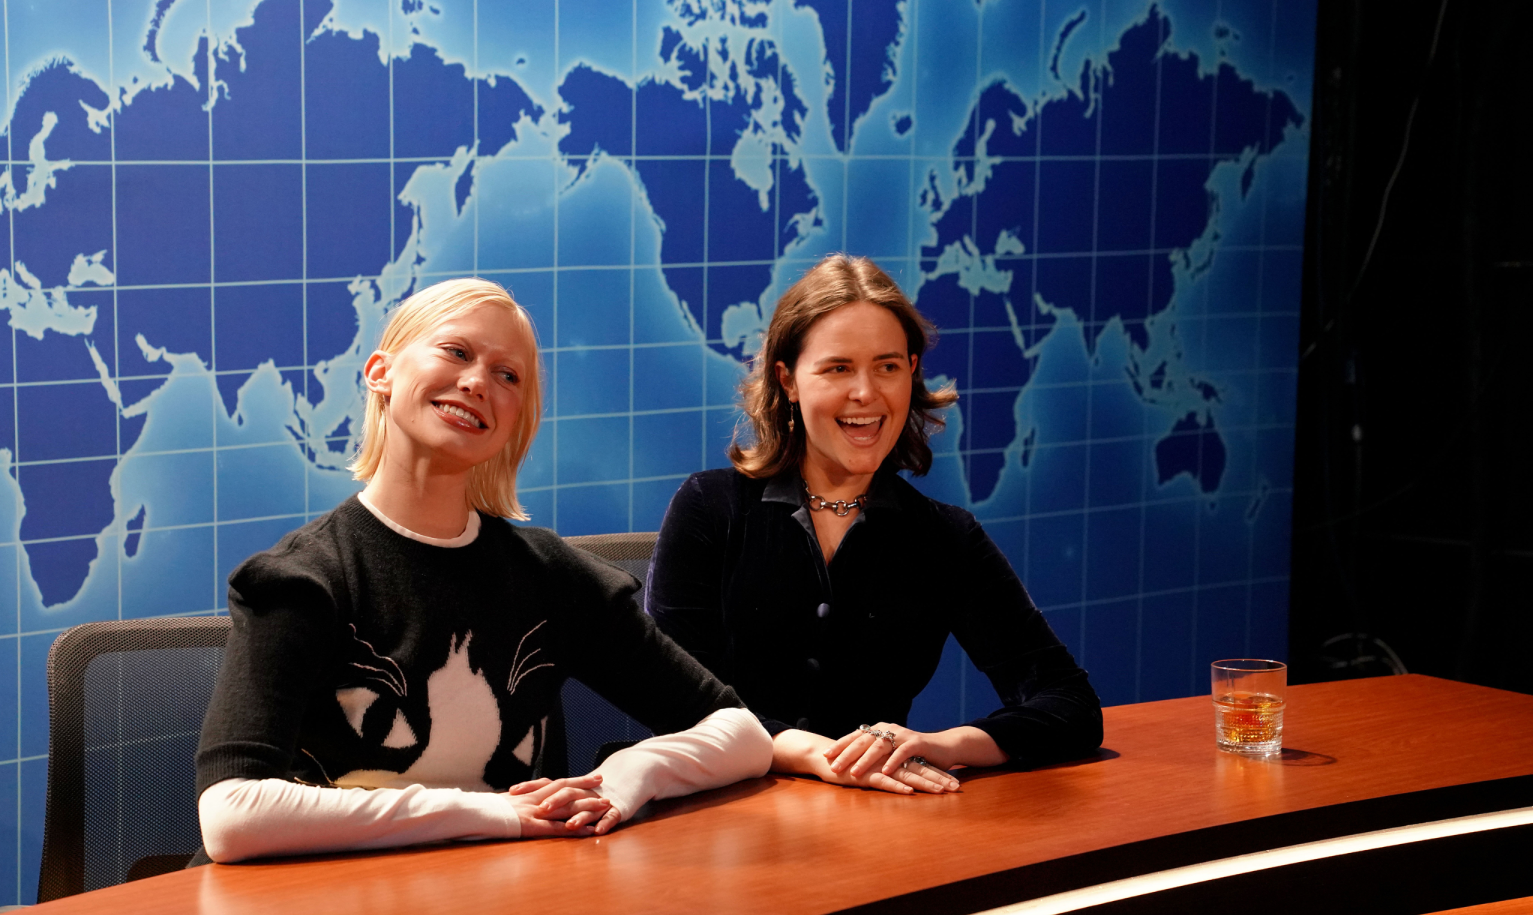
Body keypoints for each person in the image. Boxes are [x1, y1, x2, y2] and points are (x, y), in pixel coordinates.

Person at [194, 279, 772, 862]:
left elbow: (741, 734)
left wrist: (626, 775)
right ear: (380, 373)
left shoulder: (553, 576)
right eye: (457, 352)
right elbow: (231, 813)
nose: (477, 383)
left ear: (516, 418)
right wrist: (490, 813)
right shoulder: (302, 579)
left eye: (508, 376)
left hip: (503, 910)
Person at [647, 254, 1102, 797]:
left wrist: (944, 744)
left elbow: (1070, 703)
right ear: (788, 380)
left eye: (887, 366)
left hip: (871, 825)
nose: (866, 393)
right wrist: (814, 753)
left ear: (911, 372)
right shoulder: (709, 506)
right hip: (716, 823)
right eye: (838, 368)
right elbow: (675, 702)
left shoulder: (943, 536)